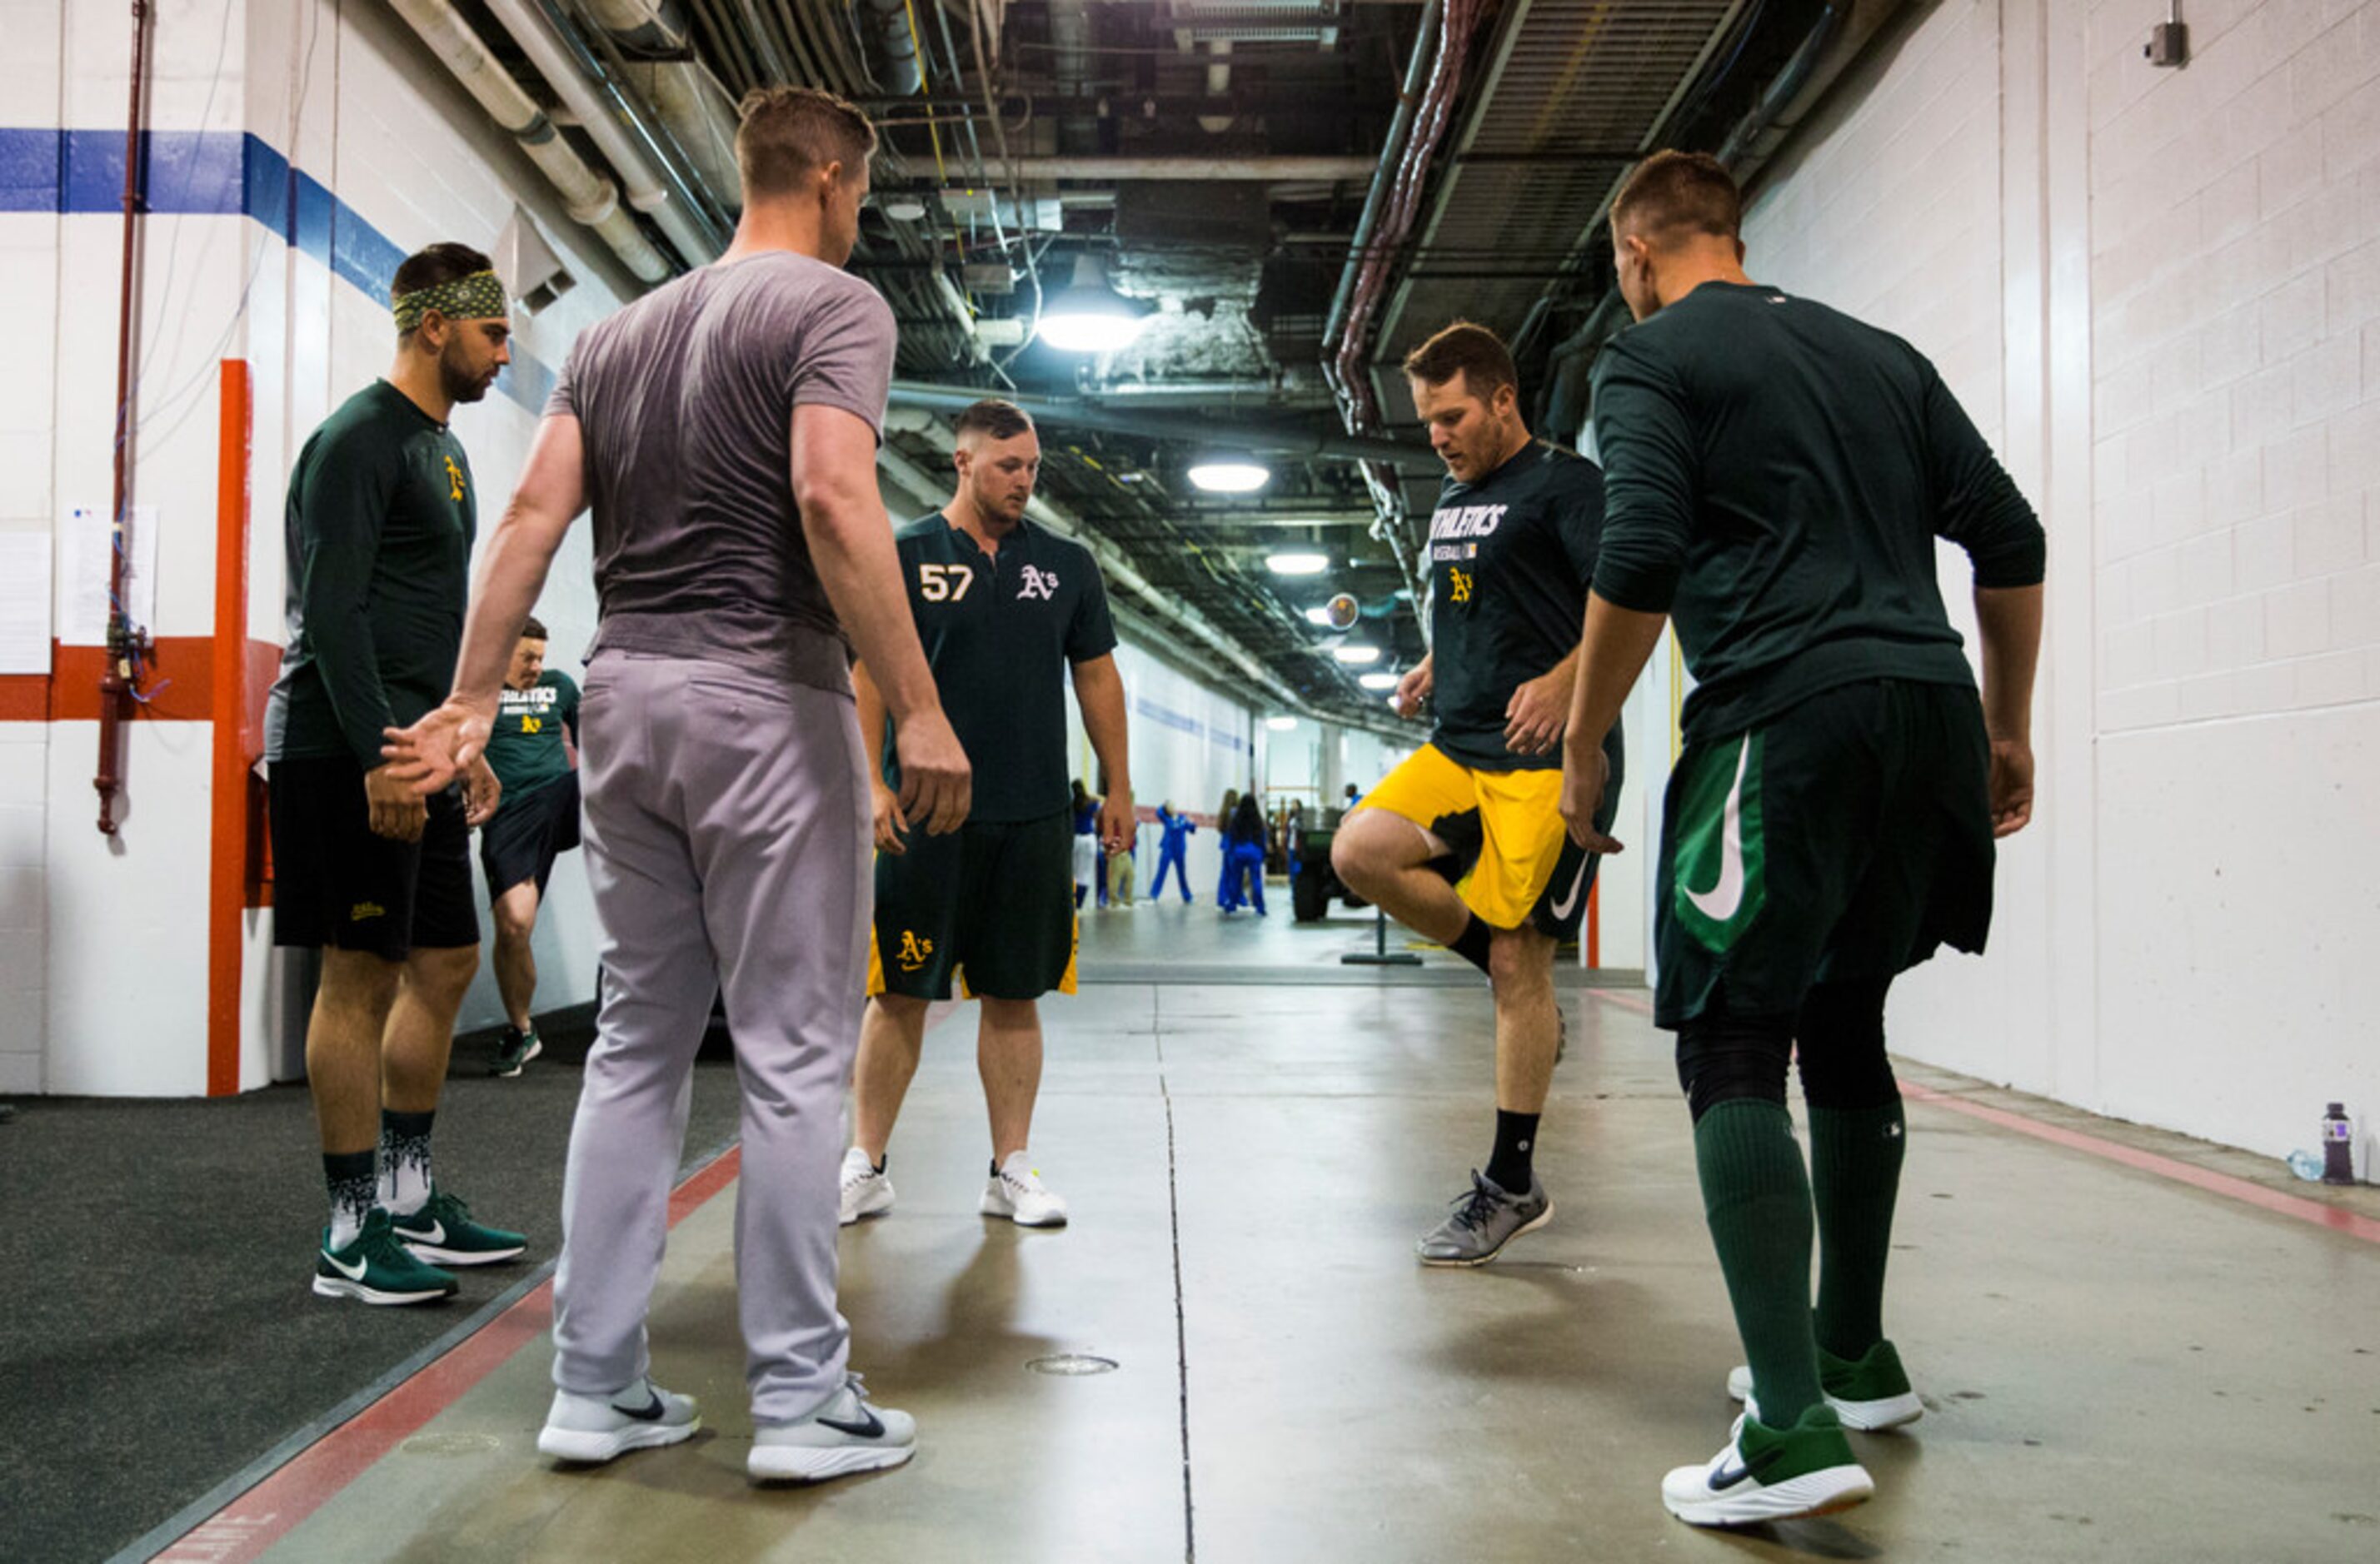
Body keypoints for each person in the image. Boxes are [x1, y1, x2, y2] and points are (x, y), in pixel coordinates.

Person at [384, 86, 970, 1483]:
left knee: (641, 1041)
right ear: (830, 177)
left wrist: (472, 700)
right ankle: (797, 1397)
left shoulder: (615, 332)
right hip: (762, 691)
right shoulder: (834, 308)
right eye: (863, 192)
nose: (860, 214)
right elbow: (832, 501)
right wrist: (925, 709)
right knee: (789, 1051)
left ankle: (593, 1384)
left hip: (628, 700)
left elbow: (531, 514)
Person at [1555, 151, 2043, 1527]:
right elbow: (2008, 536)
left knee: (1727, 1039)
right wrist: (2005, 725)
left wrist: (1589, 736)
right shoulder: (1878, 353)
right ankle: (1850, 1345)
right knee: (1842, 1017)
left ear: (1633, 255)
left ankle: (1783, 1423)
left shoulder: (1649, 362)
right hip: (1929, 711)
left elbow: (1639, 550)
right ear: (1732, 234)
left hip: (1782, 717)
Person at [1330, 320, 1625, 1268]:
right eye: (1427, 422)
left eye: (1452, 415)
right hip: (1460, 741)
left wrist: (1567, 677)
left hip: (1545, 760)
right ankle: (1506, 976)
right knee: (1358, 851)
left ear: (1503, 398)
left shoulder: (1566, 485)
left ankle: (1512, 1182)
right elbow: (1479, 603)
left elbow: (1628, 600)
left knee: (1522, 964)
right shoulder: (1457, 499)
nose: (1439, 437)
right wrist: (1429, 663)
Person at [266, 241, 525, 1308]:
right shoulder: (359, 440)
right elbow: (333, 612)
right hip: (344, 747)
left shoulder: (445, 451)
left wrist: (466, 747)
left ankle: (411, 1197)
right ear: (435, 325)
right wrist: (383, 752)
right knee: (359, 975)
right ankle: (348, 1229)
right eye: (493, 331)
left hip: (419, 750)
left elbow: (434, 620)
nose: (505, 352)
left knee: (452, 961)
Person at [841, 398, 1130, 1232]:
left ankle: (1010, 1170)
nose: (1025, 482)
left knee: (1014, 993)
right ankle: (865, 1164)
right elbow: (865, 676)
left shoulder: (1067, 565)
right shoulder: (905, 555)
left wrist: (1117, 784)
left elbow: (1098, 677)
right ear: (962, 462)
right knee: (899, 988)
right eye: (1009, 467)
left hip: (1033, 815)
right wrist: (870, 781)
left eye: (1033, 467)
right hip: (924, 818)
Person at [477, 615, 581, 1076]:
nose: (537, 667)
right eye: (526, 658)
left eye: (540, 657)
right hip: (510, 812)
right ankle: (522, 1030)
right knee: (515, 923)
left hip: (560, 795)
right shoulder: (479, 695)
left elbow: (597, 740)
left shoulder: (561, 686)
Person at [1223, 792, 1269, 916]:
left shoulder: (1236, 820)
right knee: (1256, 880)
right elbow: (1263, 838)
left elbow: (1232, 837)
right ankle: (1260, 907)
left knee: (1235, 880)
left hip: (1239, 852)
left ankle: (1231, 905)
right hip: (1254, 853)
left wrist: (1232, 851)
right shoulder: (1259, 821)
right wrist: (1264, 854)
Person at [1150, 801, 1195, 903]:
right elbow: (1158, 812)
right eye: (1169, 806)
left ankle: (1187, 896)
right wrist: (1164, 806)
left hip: (1179, 850)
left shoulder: (1182, 818)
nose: (1172, 807)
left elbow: (1192, 830)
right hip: (1167, 849)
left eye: (1173, 805)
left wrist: (1192, 823)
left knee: (1182, 874)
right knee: (1161, 872)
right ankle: (1154, 895)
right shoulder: (1166, 819)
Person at [1070, 778, 1103, 909]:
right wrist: (1089, 795)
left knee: (1073, 872)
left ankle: (1070, 904)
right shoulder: (1090, 804)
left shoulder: (1071, 804)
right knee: (1084, 874)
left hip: (1074, 839)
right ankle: (1078, 905)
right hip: (1089, 839)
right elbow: (1103, 800)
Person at [1213, 786, 1240, 905]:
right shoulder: (1236, 812)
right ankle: (1239, 899)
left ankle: (1221, 899)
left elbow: (1221, 829)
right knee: (1236, 874)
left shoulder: (1223, 812)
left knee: (1225, 873)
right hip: (1234, 847)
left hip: (1225, 845)